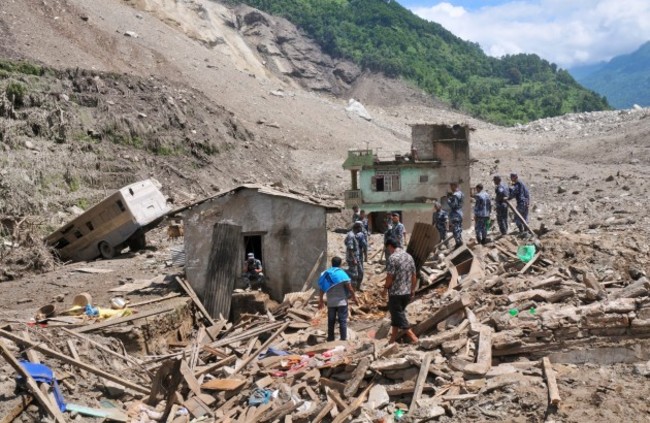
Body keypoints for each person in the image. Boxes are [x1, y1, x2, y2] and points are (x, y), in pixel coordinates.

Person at [383, 238, 418, 344]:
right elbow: (414, 275)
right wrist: (412, 290)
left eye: (388, 248)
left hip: (396, 293)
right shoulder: (409, 256)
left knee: (399, 316)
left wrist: (385, 288)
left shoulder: (393, 258)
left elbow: (390, 276)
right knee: (396, 316)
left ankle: (414, 338)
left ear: (390, 246)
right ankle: (392, 340)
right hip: (406, 292)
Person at [318, 256, 358, 341]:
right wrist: (354, 297)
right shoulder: (342, 273)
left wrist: (320, 301)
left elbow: (321, 288)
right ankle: (343, 339)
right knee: (342, 321)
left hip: (331, 302)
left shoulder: (326, 273)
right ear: (340, 264)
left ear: (332, 263)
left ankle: (330, 338)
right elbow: (350, 288)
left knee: (331, 321)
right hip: (342, 302)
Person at [447, 182, 464, 249]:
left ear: (455, 186)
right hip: (459, 213)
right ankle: (460, 242)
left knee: (456, 229)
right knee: (459, 228)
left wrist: (448, 200)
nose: (450, 188)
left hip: (455, 214)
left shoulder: (455, 195)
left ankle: (458, 244)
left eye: (451, 186)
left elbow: (453, 205)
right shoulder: (461, 193)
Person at [344, 223, 362, 289]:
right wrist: (354, 259)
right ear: (357, 228)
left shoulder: (353, 235)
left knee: (359, 272)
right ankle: (351, 290)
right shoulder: (351, 235)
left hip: (356, 258)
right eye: (360, 228)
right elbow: (350, 248)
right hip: (352, 259)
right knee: (353, 275)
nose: (361, 229)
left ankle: (355, 288)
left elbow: (345, 242)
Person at [353, 221, 367, 290]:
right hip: (358, 256)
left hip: (352, 257)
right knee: (360, 272)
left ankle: (355, 286)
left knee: (354, 271)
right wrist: (366, 255)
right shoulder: (360, 235)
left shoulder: (350, 234)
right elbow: (364, 245)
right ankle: (357, 287)